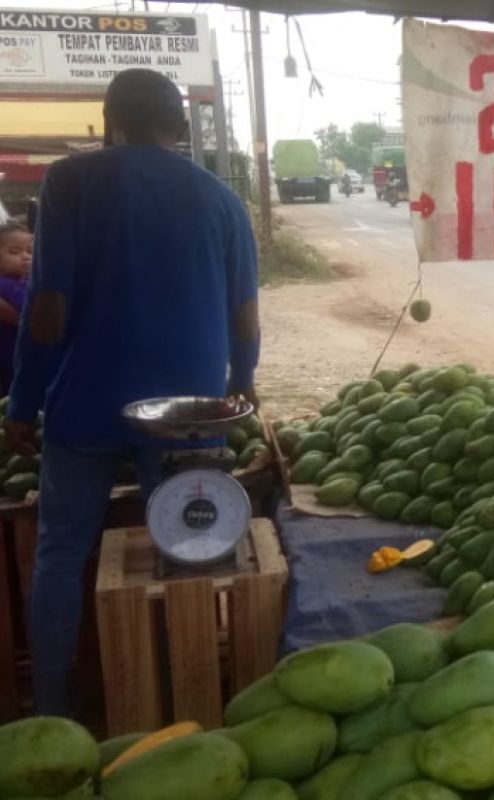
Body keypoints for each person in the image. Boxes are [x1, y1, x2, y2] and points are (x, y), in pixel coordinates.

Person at [4, 68, 261, 716]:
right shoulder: (221, 199)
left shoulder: (71, 183)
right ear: (179, 127)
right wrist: (240, 386)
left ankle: (55, 709)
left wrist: (24, 400)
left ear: (108, 121)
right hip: (188, 413)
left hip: (87, 400)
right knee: (191, 551)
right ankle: (187, 700)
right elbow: (246, 319)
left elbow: (48, 309)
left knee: (61, 554)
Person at [0, 221, 32, 393]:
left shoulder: (22, 282)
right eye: (15, 252)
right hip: (14, 355)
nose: (26, 256)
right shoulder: (6, 285)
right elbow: (31, 309)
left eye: (30, 251)